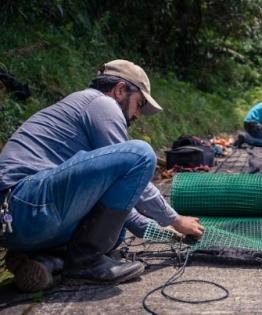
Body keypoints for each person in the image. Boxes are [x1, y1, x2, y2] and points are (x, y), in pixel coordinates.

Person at [0, 60, 205, 292]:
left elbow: (121, 206)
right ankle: (84, 264)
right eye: (139, 104)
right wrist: (175, 219)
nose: (138, 115)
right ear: (120, 90)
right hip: (23, 204)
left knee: (111, 234)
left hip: (24, 221)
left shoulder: (86, 114)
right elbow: (136, 171)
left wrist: (165, 233)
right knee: (141, 153)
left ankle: (45, 262)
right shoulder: (101, 104)